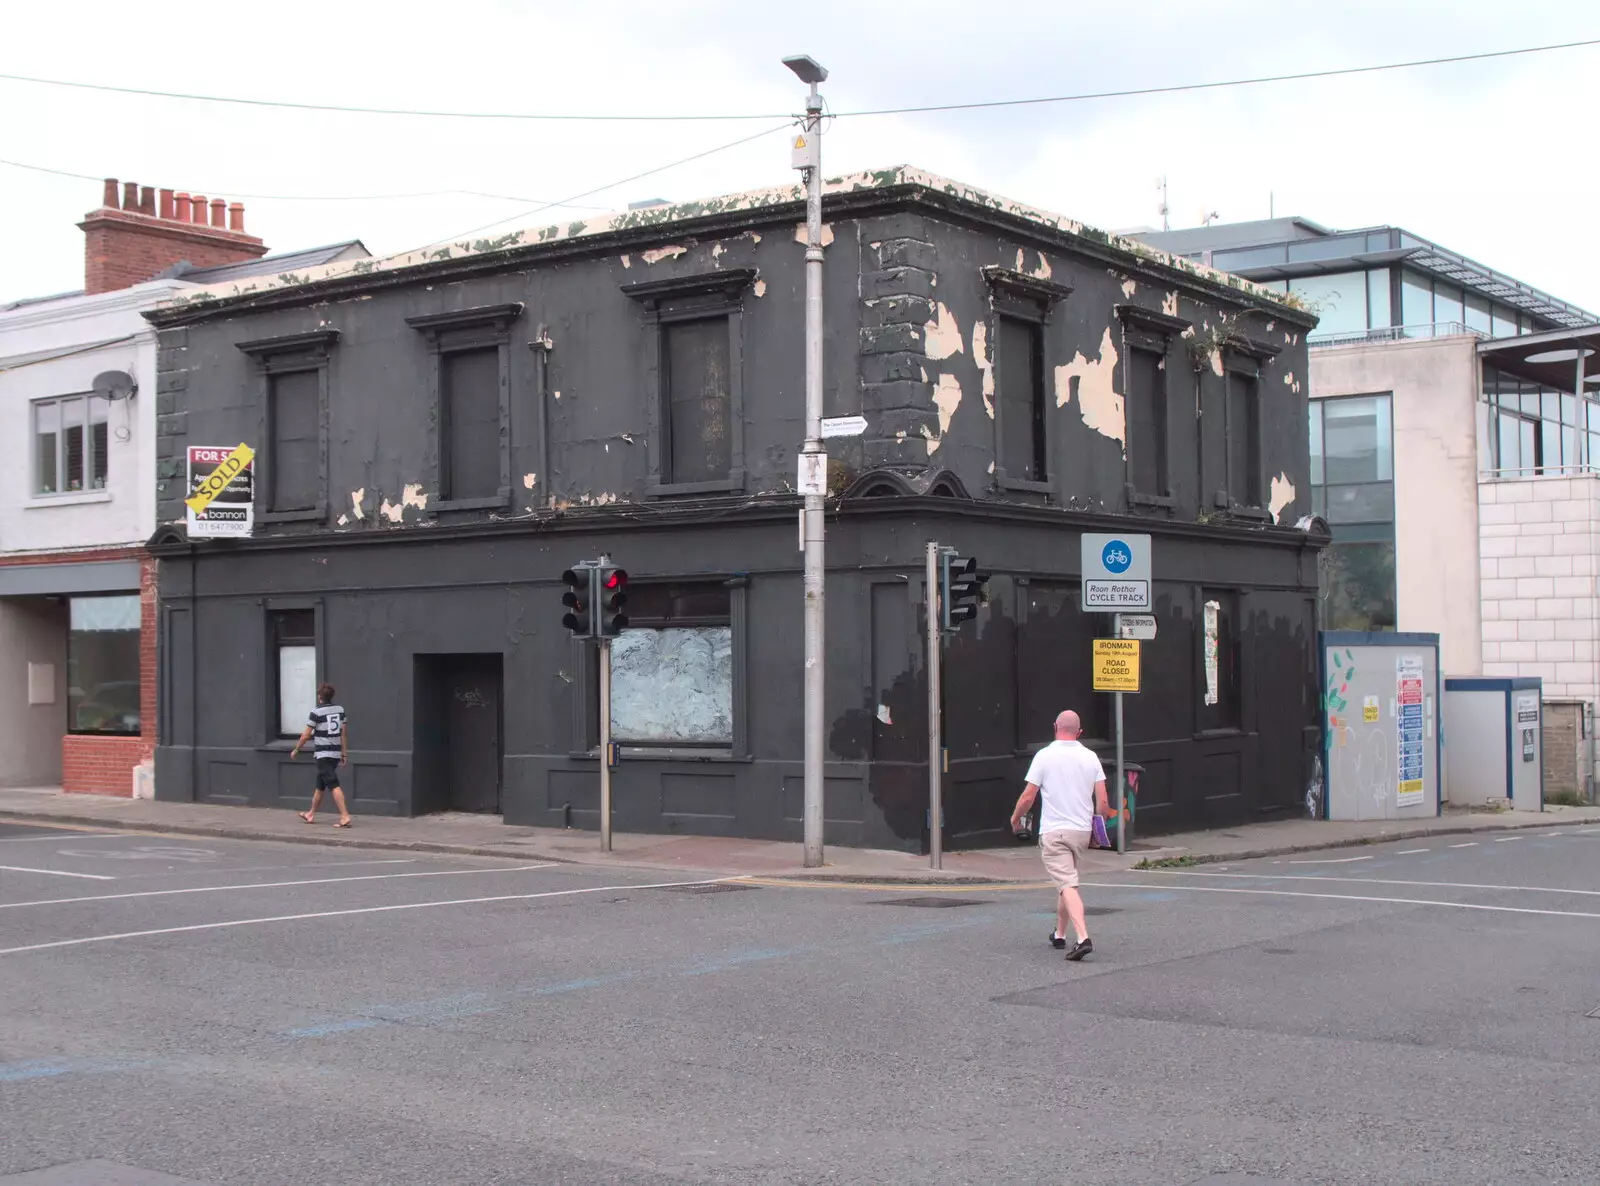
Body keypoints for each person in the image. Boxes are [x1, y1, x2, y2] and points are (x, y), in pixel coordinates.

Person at [1009, 710, 1112, 961]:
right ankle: (1060, 934)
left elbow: (1028, 797)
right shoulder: (1091, 757)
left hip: (1055, 831)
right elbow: (1103, 802)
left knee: (1067, 883)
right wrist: (1099, 825)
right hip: (1081, 832)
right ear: (1080, 732)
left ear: (1055, 726)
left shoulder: (1044, 756)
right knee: (1067, 883)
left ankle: (1083, 938)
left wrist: (1015, 820)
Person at [291, 683, 351, 827]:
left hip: (323, 754)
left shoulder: (316, 712)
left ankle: (345, 816)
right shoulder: (340, 710)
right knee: (320, 784)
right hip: (335, 754)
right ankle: (310, 813)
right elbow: (343, 734)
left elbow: (306, 735)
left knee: (333, 784)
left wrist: (296, 749)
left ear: (320, 697)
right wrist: (344, 754)